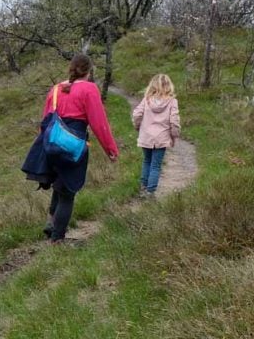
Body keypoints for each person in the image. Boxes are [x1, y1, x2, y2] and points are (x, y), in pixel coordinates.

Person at [21, 54, 119, 243]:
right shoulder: (89, 89)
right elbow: (99, 123)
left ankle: (51, 222)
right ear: (89, 71)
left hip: (51, 144)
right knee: (67, 192)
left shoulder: (56, 89)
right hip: (73, 146)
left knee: (59, 185)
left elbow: (46, 120)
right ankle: (58, 239)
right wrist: (110, 149)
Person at [132, 74, 180, 197]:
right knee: (155, 165)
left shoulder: (146, 99)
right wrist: (174, 136)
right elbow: (174, 121)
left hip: (146, 136)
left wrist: (138, 127)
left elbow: (137, 114)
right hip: (162, 138)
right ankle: (150, 192)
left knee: (147, 161)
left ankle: (143, 187)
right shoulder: (172, 101)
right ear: (169, 86)